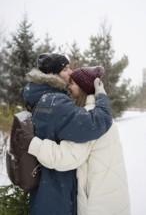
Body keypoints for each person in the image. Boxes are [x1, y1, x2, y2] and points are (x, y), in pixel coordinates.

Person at [28, 67, 131, 215]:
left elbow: (67, 158)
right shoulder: (102, 112)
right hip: (113, 194)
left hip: (97, 201)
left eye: (73, 83)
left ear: (83, 87)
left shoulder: (88, 115)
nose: (68, 85)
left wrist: (33, 144)